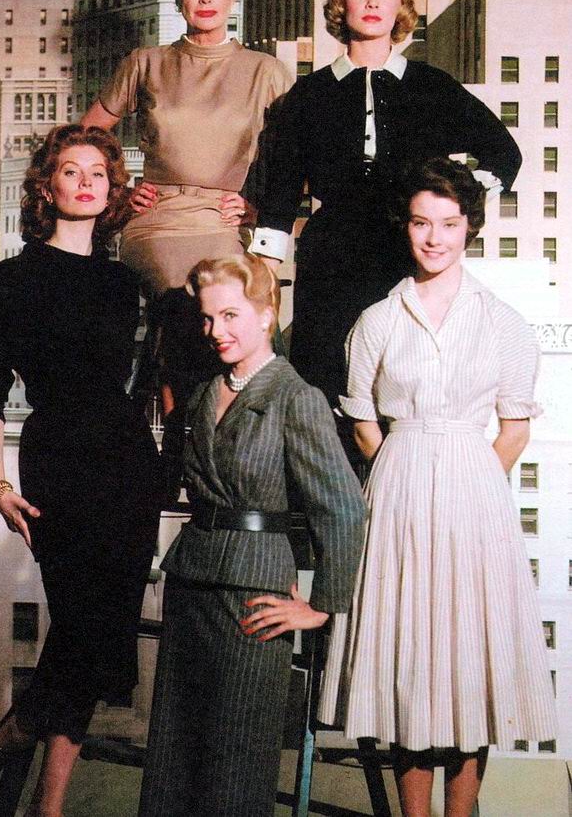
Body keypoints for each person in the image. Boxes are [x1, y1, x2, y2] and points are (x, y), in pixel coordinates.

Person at [318, 158, 557, 817]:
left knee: (468, 661)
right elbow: (363, 421)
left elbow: (513, 429)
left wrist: (465, 483)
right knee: (409, 659)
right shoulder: (377, 320)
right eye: (422, 223)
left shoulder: (503, 322)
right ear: (406, 227)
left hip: (475, 505)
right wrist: (406, 471)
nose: (434, 238)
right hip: (397, 501)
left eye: (449, 224)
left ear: (469, 227)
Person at [0, 125, 160, 817]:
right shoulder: (13, 278)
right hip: (57, 460)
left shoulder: (124, 282)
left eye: (99, 173)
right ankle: (19, 742)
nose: (86, 182)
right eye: (71, 171)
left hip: (128, 463)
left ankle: (43, 794)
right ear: (46, 187)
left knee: (97, 633)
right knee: (82, 625)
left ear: (112, 191)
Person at [138, 254, 366, 817]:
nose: (216, 330)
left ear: (267, 315)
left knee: (236, 767)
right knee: (172, 760)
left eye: (231, 315)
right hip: (190, 582)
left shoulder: (297, 398)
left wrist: (322, 606)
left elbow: (343, 510)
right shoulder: (202, 394)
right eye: (208, 317)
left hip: (254, 595)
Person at [250, 0, 522, 409]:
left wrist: (450, 208)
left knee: (402, 384)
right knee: (325, 386)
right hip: (331, 257)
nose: (373, 2)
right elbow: (279, 194)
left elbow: (505, 154)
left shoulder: (432, 87)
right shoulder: (310, 95)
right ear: (341, 3)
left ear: (401, 5)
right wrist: (263, 275)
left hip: (407, 254)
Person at [81, 0, 292, 496]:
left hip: (227, 222)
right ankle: (184, 444)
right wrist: (120, 194)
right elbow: (84, 139)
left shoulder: (265, 71)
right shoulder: (146, 63)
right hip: (158, 222)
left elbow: (297, 159)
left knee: (233, 302)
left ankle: (212, 450)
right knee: (190, 298)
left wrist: (255, 206)